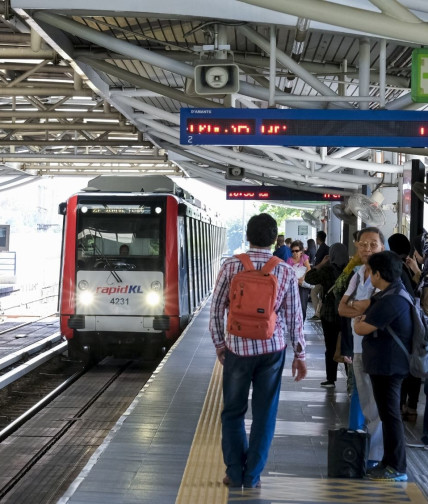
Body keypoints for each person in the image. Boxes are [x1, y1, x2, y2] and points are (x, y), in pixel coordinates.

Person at [209, 213, 307, 489]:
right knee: (265, 414)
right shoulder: (285, 270)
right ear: (274, 239)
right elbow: (293, 317)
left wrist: (220, 344)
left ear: (248, 236)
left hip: (237, 348)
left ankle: (234, 473)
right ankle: (252, 475)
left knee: (233, 411)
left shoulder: (231, 266)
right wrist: (300, 355)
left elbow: (216, 310)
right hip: (272, 350)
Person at [354, 251, 412, 481]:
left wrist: (361, 321)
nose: (370, 276)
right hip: (386, 365)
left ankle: (397, 467)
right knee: (388, 415)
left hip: (390, 366)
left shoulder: (392, 300)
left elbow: (360, 328)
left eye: (371, 272)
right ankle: (389, 462)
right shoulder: (392, 293)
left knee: (391, 416)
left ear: (378, 274)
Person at [338, 227, 385, 465]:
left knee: (376, 404)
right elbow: (342, 309)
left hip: (379, 349)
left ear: (382, 247)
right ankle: (361, 449)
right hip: (358, 347)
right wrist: (362, 308)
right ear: (357, 246)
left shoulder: (387, 276)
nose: (368, 248)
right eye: (363, 244)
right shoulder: (357, 273)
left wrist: (360, 308)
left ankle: (375, 458)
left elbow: (380, 311)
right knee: (363, 398)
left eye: (373, 244)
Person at [305, 243, 349, 388]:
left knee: (330, 346)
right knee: (347, 345)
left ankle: (331, 379)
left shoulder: (327, 270)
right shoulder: (352, 271)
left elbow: (309, 278)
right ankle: (351, 379)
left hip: (329, 314)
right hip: (348, 314)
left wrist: (320, 264)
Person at [286, 240, 312, 321]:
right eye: (293, 251)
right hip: (293, 285)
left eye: (297, 251)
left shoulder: (304, 258)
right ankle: (295, 322)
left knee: (303, 305)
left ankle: (302, 323)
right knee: (294, 305)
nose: (295, 253)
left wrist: (303, 277)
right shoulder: (289, 260)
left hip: (303, 285)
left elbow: (308, 268)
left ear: (301, 251)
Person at [310, 231, 330, 320]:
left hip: (321, 275)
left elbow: (318, 263)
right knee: (321, 295)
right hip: (325, 275)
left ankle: (318, 313)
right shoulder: (327, 248)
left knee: (313, 293)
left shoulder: (321, 249)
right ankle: (319, 312)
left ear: (318, 238)